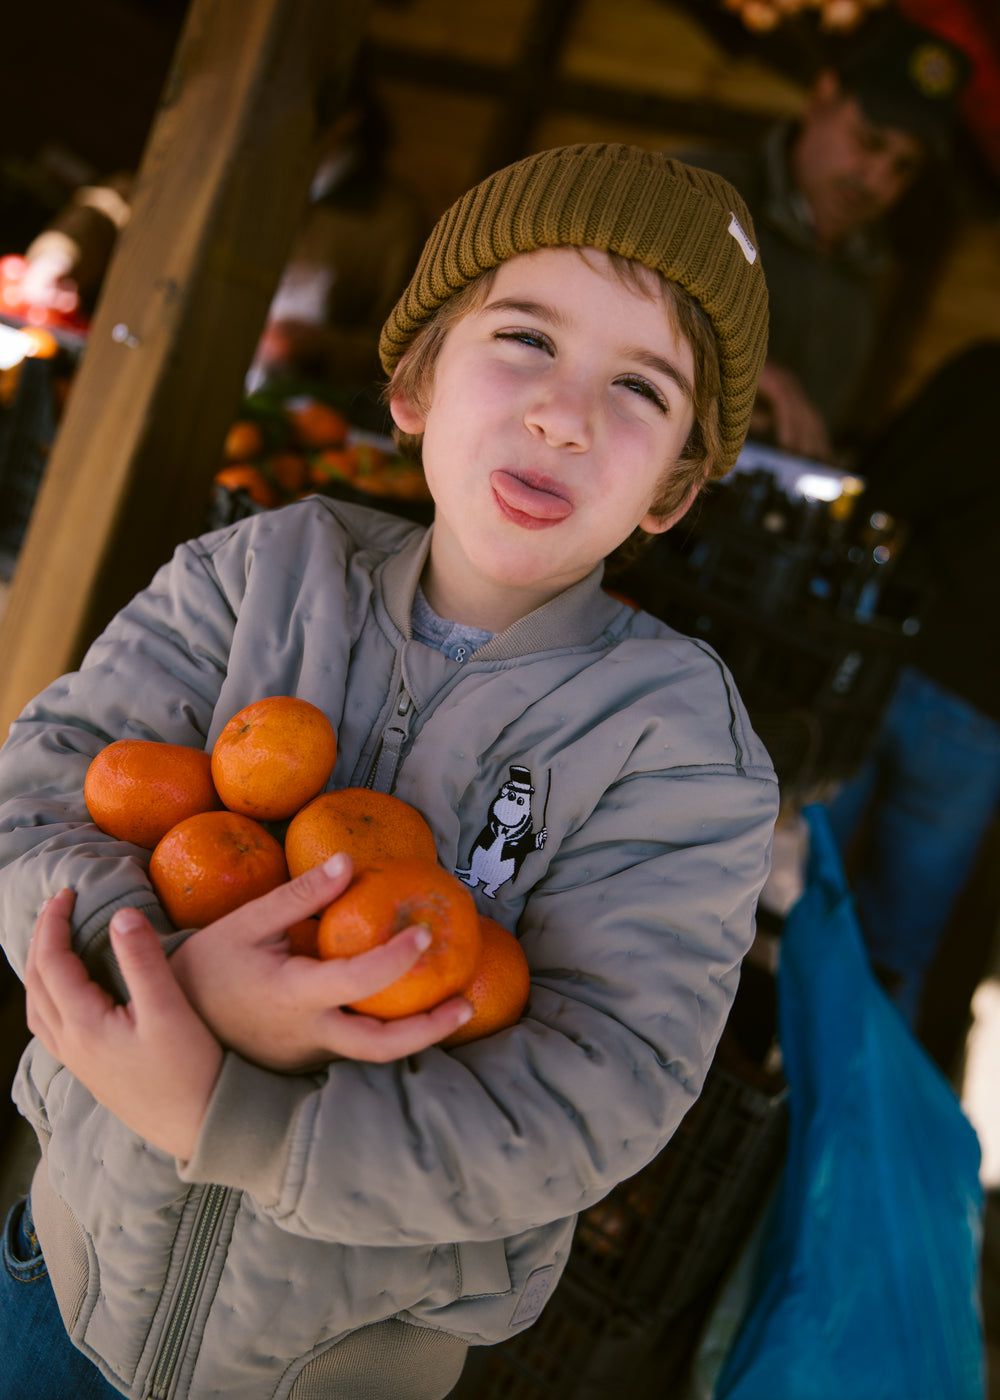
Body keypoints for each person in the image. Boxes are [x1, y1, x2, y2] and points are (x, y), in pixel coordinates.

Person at [0, 143, 777, 1400]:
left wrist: (228, 1109)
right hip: (63, 1277)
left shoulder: (676, 746)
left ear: (673, 489)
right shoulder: (253, 574)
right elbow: (42, 789)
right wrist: (167, 980)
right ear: (415, 381)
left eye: (640, 387)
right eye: (524, 338)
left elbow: (602, 1088)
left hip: (341, 1369)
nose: (563, 412)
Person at [684, 10, 969, 463]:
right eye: (869, 141)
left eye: (903, 166)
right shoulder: (696, 190)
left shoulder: (862, 285)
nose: (876, 180)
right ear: (822, 98)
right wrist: (736, 371)